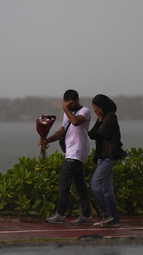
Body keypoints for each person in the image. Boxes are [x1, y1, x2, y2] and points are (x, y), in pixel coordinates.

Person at [40, 89, 92, 225]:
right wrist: (47, 139)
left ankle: (60, 214)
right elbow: (62, 131)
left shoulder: (84, 111)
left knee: (63, 180)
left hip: (78, 151)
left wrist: (66, 109)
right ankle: (87, 216)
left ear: (77, 100)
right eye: (66, 103)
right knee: (80, 185)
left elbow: (75, 122)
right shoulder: (67, 114)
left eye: (71, 103)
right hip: (71, 152)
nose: (68, 106)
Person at [88, 94, 127, 228]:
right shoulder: (102, 118)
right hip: (102, 157)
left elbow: (102, 132)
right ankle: (114, 219)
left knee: (95, 182)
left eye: (96, 107)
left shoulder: (111, 117)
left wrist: (99, 118)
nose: (94, 109)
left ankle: (106, 214)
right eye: (93, 107)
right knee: (107, 189)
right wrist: (99, 118)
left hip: (109, 156)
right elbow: (92, 134)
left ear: (102, 106)